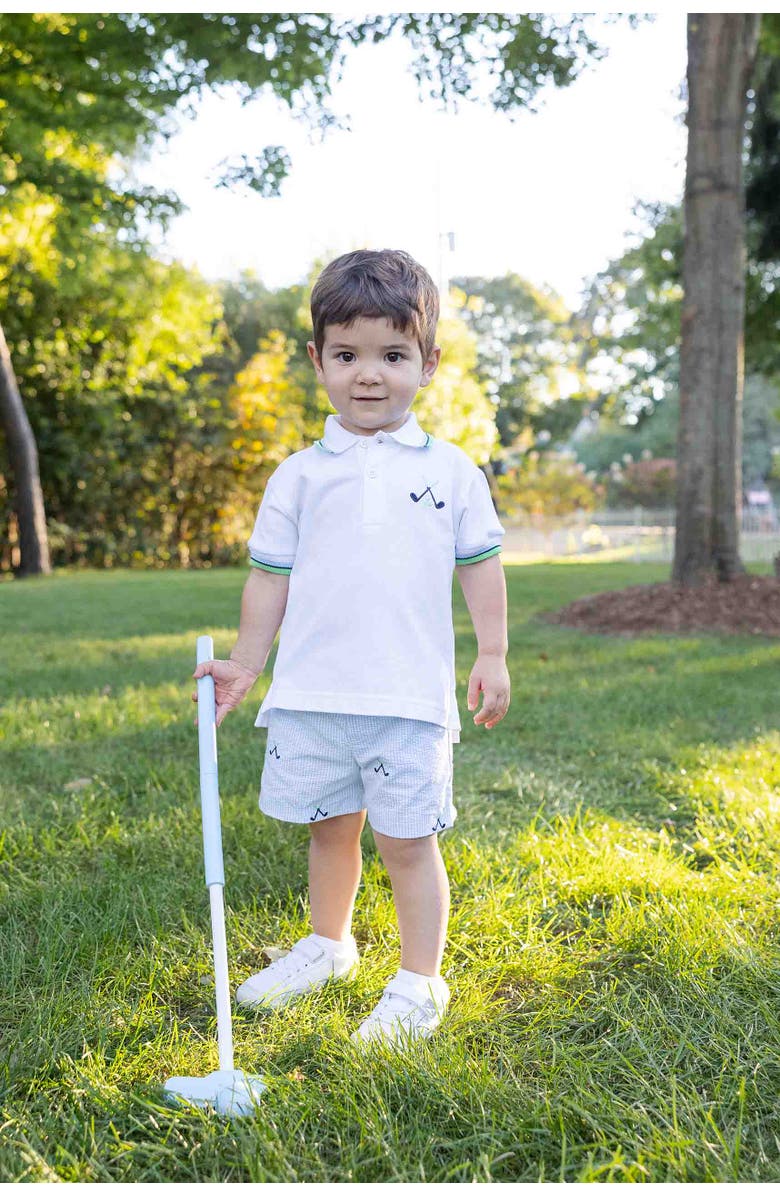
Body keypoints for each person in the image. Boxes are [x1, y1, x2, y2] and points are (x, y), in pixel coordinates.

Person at [192, 248, 510, 1046]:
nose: (370, 375)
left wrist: (493, 654)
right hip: (312, 694)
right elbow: (270, 580)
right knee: (328, 827)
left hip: (406, 698)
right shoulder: (299, 476)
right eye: (348, 355)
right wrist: (247, 663)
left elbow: (482, 568)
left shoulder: (453, 471)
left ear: (428, 363)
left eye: (393, 356)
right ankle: (329, 946)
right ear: (319, 361)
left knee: (407, 841)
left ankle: (418, 983)